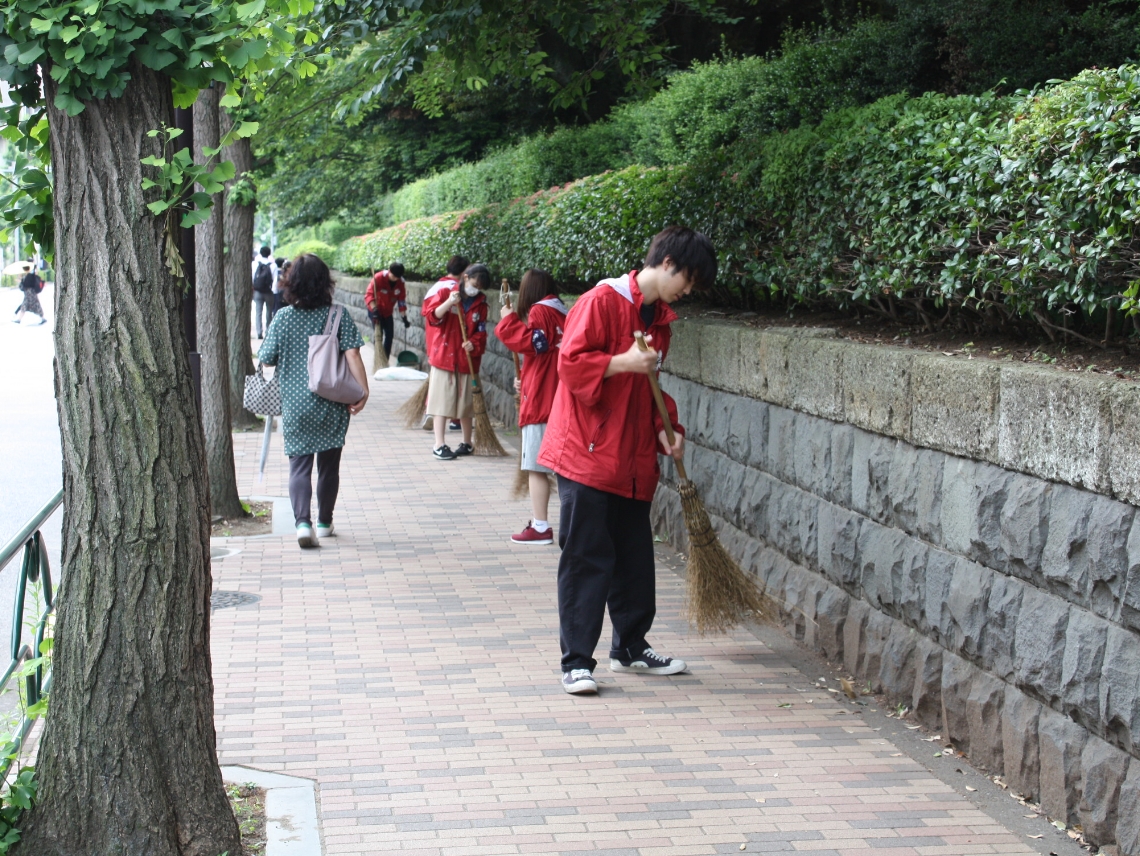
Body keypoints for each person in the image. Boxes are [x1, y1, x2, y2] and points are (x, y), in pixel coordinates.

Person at [538, 226, 716, 695]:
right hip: (588, 456)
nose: (689, 291)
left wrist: (668, 429)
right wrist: (621, 362)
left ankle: (631, 647)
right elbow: (570, 366)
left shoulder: (659, 320)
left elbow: (650, 389)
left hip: (632, 460)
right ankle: (576, 662)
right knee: (587, 559)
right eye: (689, 280)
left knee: (635, 559)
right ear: (670, 264)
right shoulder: (601, 301)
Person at [257, 254, 369, 548]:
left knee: (299, 467)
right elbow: (353, 354)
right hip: (332, 402)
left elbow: (266, 357)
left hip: (295, 404)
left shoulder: (283, 317)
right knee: (329, 468)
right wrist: (363, 390)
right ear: (325, 283)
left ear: (291, 283)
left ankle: (302, 523)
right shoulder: (337, 315)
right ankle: (324, 523)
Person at [495, 268, 567, 545]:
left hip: (541, 401)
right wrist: (524, 379)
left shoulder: (540, 312)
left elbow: (530, 342)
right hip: (560, 396)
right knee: (564, 468)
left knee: (537, 467)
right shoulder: (563, 313)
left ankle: (540, 526)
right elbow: (546, 354)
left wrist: (509, 320)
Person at [421, 257, 489, 460]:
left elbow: (481, 331)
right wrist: (449, 302)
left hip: (467, 359)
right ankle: (439, 444)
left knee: (466, 403)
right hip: (445, 355)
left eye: (480, 288)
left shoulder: (481, 303)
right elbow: (432, 316)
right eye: (474, 285)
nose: (475, 290)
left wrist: (474, 343)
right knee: (441, 401)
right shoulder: (445, 292)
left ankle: (467, 442)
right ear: (466, 277)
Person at [365, 262, 409, 365]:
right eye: (393, 276)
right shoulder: (379, 278)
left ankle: (385, 361)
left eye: (397, 277)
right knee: (378, 335)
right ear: (389, 271)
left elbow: (401, 300)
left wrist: (404, 317)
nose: (395, 279)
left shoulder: (401, 283)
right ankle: (378, 359)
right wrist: (374, 310)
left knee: (389, 335)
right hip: (375, 310)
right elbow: (369, 295)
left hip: (387, 312)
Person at [251, 247, 277, 339]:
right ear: (269, 254)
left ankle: (259, 332)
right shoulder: (273, 265)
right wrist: (273, 292)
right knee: (269, 312)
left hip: (257, 291)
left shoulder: (254, 264)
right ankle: (268, 331)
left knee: (258, 312)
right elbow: (275, 280)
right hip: (269, 292)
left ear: (260, 253)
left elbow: (252, 277)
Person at [272, 256, 287, 322]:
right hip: (286, 296)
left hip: (278, 295)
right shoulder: (287, 274)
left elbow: (274, 288)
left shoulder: (276, 272)